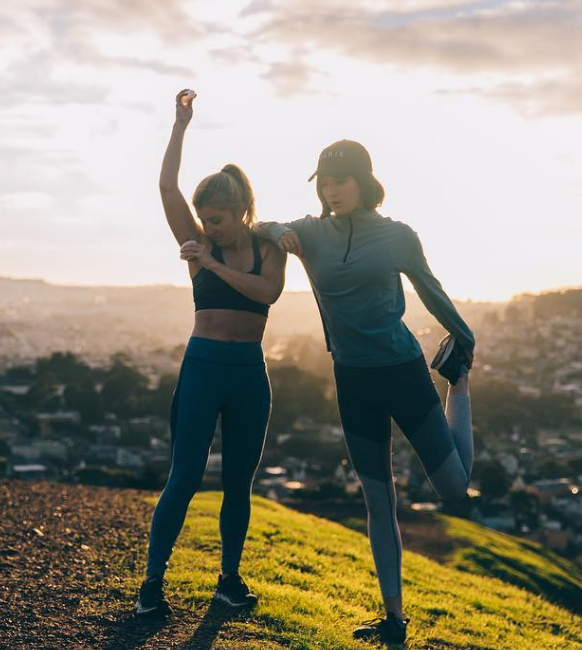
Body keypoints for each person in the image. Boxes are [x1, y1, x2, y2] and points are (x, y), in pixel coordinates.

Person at [253, 139, 475, 644]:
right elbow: (257, 225)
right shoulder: (309, 233)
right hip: (351, 378)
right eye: (324, 184)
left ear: (364, 181)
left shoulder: (398, 235)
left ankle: (459, 389)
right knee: (378, 501)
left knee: (455, 490)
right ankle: (393, 620)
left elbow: (430, 288)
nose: (331, 192)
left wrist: (465, 337)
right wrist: (279, 230)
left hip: (403, 369)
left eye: (340, 182)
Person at [135, 90, 287, 617]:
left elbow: (266, 294)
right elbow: (165, 186)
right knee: (184, 475)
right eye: (204, 218)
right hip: (203, 367)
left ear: (242, 212)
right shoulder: (198, 241)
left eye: (217, 219)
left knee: (239, 483)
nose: (208, 227)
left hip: (248, 372)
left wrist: (213, 265)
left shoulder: (266, 248)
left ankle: (228, 580)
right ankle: (152, 585)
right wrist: (180, 126)